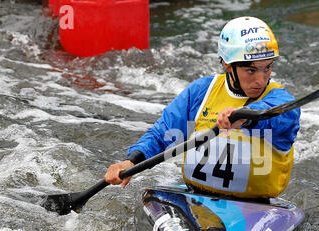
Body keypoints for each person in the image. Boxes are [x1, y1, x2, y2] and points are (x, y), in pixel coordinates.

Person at [105, 16, 300, 199]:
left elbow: (281, 115)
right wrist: (131, 160)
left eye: (267, 67)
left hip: (256, 207)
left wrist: (245, 116)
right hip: (196, 197)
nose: (261, 79)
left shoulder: (280, 100)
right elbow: (163, 132)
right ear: (227, 64)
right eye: (251, 70)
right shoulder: (202, 91)